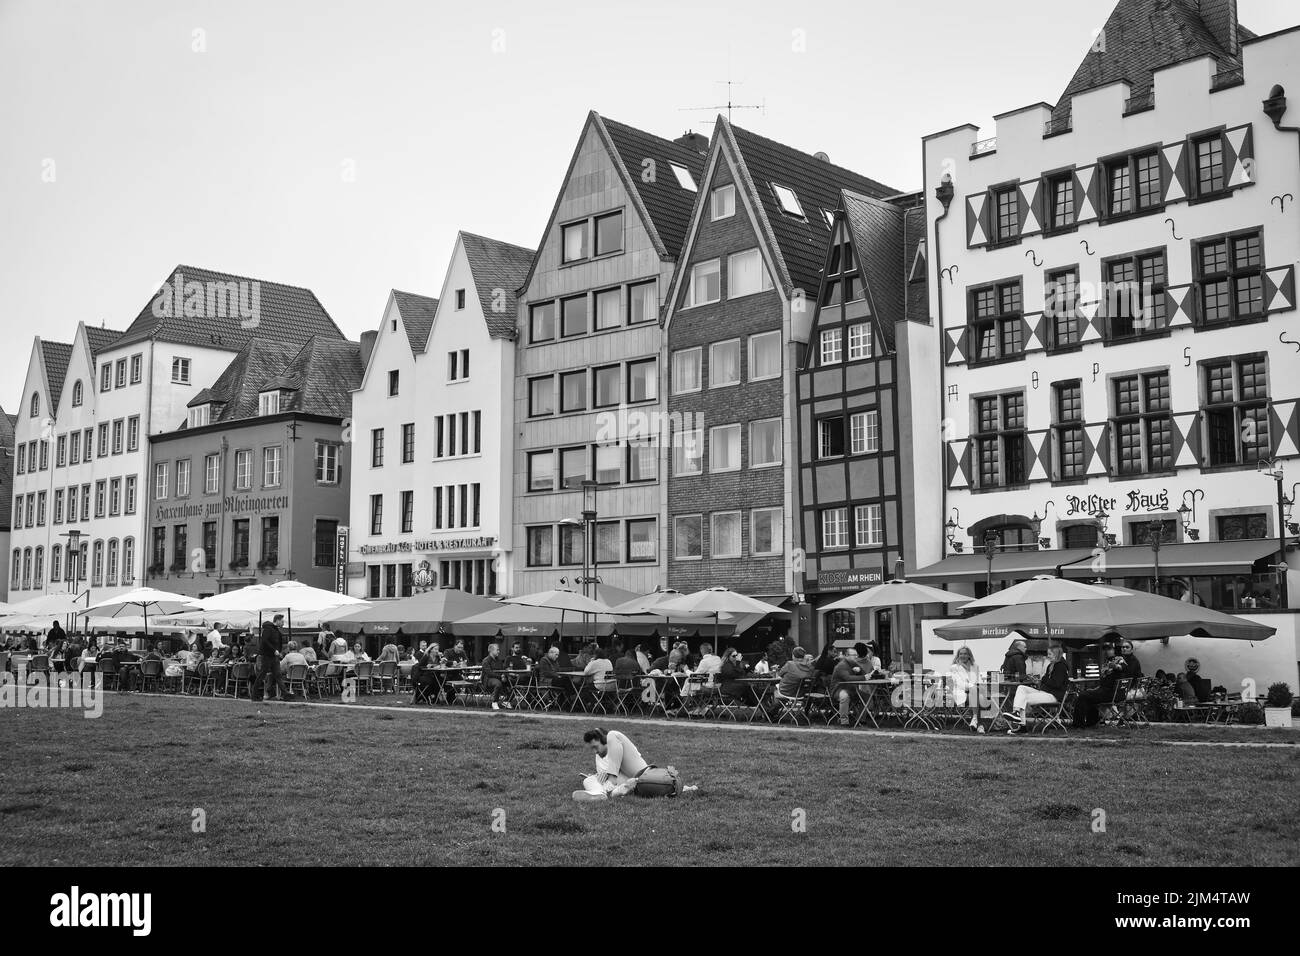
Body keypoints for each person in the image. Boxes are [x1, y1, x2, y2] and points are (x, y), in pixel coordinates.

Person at [1005, 644, 1070, 734]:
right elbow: (1047, 681)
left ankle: (1022, 726)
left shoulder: (1061, 666)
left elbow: (1056, 684)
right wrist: (1039, 681)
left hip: (1053, 695)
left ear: (1056, 654)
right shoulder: (1051, 665)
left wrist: (1044, 679)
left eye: (1050, 654)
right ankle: (1016, 713)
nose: (1048, 656)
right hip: (1045, 692)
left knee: (1023, 698)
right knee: (1021, 688)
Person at [572, 728, 650, 801]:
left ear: (604, 740)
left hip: (644, 775)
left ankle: (608, 790)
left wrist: (610, 777)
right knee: (588, 780)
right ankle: (600, 793)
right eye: (592, 749)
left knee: (613, 734)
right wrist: (600, 776)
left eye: (595, 747)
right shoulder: (599, 755)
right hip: (625, 779)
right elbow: (602, 775)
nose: (595, 751)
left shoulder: (615, 740)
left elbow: (611, 774)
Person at [1072, 638, 1134, 728]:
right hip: (1105, 691)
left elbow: (1123, 667)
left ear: (1114, 650)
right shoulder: (1107, 662)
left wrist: (1115, 666)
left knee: (1083, 695)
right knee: (1087, 695)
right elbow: (1103, 679)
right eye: (1106, 649)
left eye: (1109, 649)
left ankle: (1078, 724)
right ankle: (1091, 722)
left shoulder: (1119, 659)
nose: (1107, 651)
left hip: (1111, 693)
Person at [829, 647, 870, 726]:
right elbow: (848, 678)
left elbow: (864, 673)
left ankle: (861, 719)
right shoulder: (841, 666)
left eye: (856, 655)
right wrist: (863, 677)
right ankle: (844, 722)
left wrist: (860, 671)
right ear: (846, 656)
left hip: (852, 689)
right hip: (838, 690)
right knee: (844, 696)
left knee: (866, 696)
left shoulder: (853, 663)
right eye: (853, 655)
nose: (856, 657)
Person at [947, 646, 984, 732]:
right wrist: (972, 686)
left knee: (979, 697)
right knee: (978, 696)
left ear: (969, 655)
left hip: (973, 693)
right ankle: (979, 724)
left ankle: (975, 721)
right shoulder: (954, 667)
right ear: (958, 655)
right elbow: (959, 684)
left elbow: (979, 680)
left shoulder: (975, 666)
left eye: (965, 654)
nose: (963, 655)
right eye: (961, 654)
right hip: (960, 693)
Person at [259, 613, 292, 702]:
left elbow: (276, 643)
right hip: (267, 656)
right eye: (282, 621)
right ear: (277, 620)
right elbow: (264, 641)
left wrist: (279, 651)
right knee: (263, 674)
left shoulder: (276, 631)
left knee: (277, 675)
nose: (283, 623)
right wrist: (274, 650)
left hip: (274, 657)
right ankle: (256, 693)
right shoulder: (268, 629)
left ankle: (285, 694)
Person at [480, 643, 512, 710]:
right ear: (491, 651)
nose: (499, 651)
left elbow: (502, 669)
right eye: (497, 650)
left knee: (512, 683)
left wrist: (504, 676)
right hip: (488, 680)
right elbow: (489, 673)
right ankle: (494, 702)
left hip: (498, 678)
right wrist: (501, 677)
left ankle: (506, 701)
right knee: (498, 683)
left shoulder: (498, 660)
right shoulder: (486, 660)